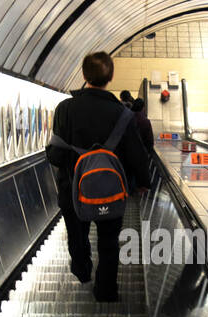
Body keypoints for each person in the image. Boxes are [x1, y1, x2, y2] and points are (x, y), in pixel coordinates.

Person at [49, 52, 151, 302]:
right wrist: (143, 182)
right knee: (108, 242)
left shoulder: (65, 109)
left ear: (84, 76)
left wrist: (74, 163)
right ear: (111, 77)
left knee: (77, 234)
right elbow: (136, 153)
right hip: (111, 191)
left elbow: (55, 154)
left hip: (73, 190)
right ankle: (106, 290)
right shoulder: (122, 114)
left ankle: (83, 272)